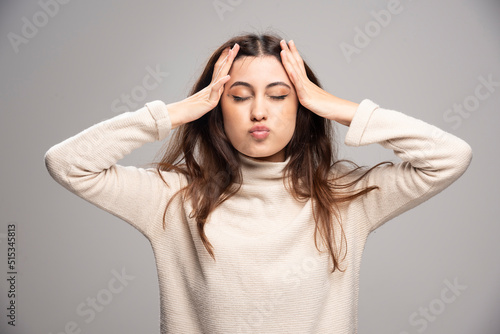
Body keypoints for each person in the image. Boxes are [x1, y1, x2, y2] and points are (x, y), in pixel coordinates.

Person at [44, 32, 473, 333]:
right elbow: (67, 163)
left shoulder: (343, 195)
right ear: (216, 107)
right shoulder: (173, 197)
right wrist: (176, 111)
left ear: (302, 106)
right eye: (239, 95)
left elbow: (450, 157)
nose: (259, 112)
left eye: (280, 94)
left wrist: (335, 105)